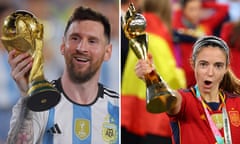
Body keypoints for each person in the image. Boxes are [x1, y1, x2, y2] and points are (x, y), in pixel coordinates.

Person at [6, 6, 119, 144]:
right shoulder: (41, 103)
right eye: (75, 38)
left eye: (92, 41)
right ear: (62, 46)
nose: (81, 48)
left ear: (107, 52)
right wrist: (27, 95)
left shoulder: (117, 107)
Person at [135, 35, 240, 143]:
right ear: (193, 65)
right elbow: (170, 98)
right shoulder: (185, 100)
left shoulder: (236, 102)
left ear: (226, 69)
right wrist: (153, 77)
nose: (210, 73)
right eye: (203, 64)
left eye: (218, 66)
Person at [121, 0, 186, 144]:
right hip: (155, 116)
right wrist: (182, 75)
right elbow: (172, 79)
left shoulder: (138, 31)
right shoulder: (157, 34)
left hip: (132, 112)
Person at [173, 0, 229, 87]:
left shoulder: (205, 26)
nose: (196, 13)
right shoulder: (177, 26)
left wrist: (204, 3)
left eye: (199, 9)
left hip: (204, 78)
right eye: (192, 9)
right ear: (183, 10)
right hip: (184, 79)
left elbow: (224, 8)